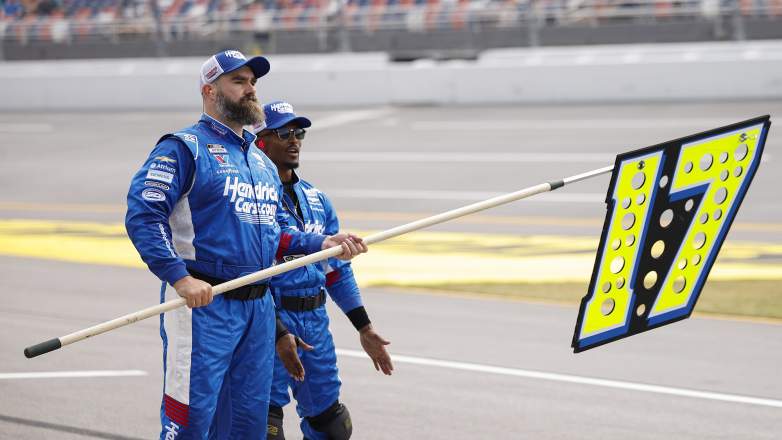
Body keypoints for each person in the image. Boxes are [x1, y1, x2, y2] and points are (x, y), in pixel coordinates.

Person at [124, 50, 366, 440]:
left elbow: (271, 236)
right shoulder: (184, 147)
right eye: (238, 81)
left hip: (258, 309)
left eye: (252, 82)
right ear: (209, 91)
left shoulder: (261, 161)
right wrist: (180, 279)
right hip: (205, 304)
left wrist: (322, 242)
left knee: (248, 427)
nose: (250, 89)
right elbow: (143, 216)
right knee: (191, 422)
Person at [256, 100, 394, 440]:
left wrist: (364, 326)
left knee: (332, 426)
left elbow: (335, 270)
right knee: (263, 427)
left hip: (315, 321)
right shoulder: (252, 198)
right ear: (261, 141)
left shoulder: (317, 198)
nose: (294, 140)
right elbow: (267, 245)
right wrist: (277, 331)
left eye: (299, 132)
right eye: (284, 132)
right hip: (267, 319)